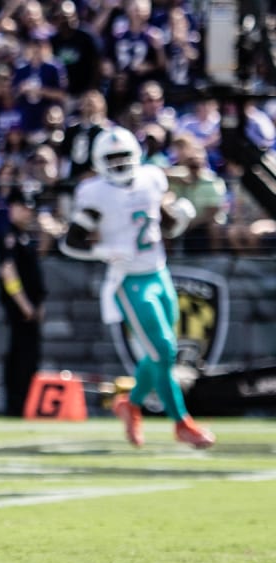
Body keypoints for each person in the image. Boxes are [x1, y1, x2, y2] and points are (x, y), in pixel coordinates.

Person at [60, 126, 216, 449]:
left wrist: (183, 217)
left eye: (123, 156)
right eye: (111, 158)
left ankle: (129, 404)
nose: (118, 163)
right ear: (100, 161)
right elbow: (71, 241)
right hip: (128, 279)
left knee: (161, 352)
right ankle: (181, 423)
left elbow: (167, 226)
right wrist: (101, 252)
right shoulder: (95, 192)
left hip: (159, 272)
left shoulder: (151, 178)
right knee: (163, 351)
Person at [0, 190, 47, 417]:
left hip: (32, 307)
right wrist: (24, 304)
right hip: (20, 310)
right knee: (19, 357)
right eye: (21, 207)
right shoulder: (9, 236)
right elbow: (8, 273)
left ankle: (27, 402)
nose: (26, 212)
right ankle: (16, 404)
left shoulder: (27, 236)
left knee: (30, 357)